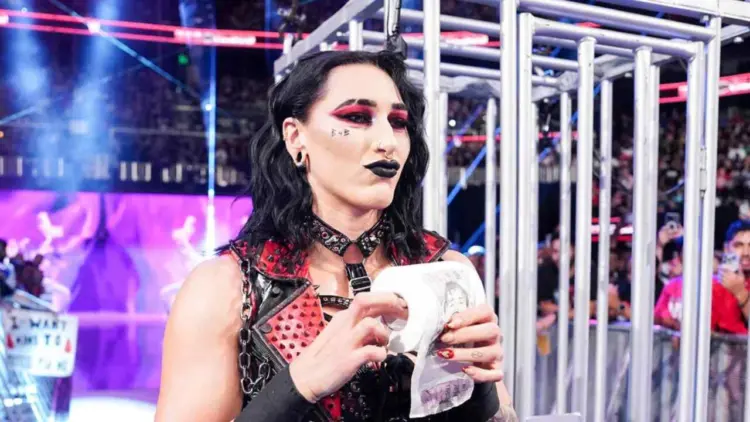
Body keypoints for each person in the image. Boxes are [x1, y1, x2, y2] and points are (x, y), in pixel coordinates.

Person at [156, 50, 515, 421]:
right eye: (357, 117)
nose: (387, 141)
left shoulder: (446, 271)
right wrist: (297, 386)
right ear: (296, 137)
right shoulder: (226, 287)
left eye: (398, 122)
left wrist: (481, 391)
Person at [654, 221, 749, 334]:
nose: (746, 252)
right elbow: (657, 320)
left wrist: (740, 292)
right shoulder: (704, 284)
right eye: (739, 245)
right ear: (726, 248)